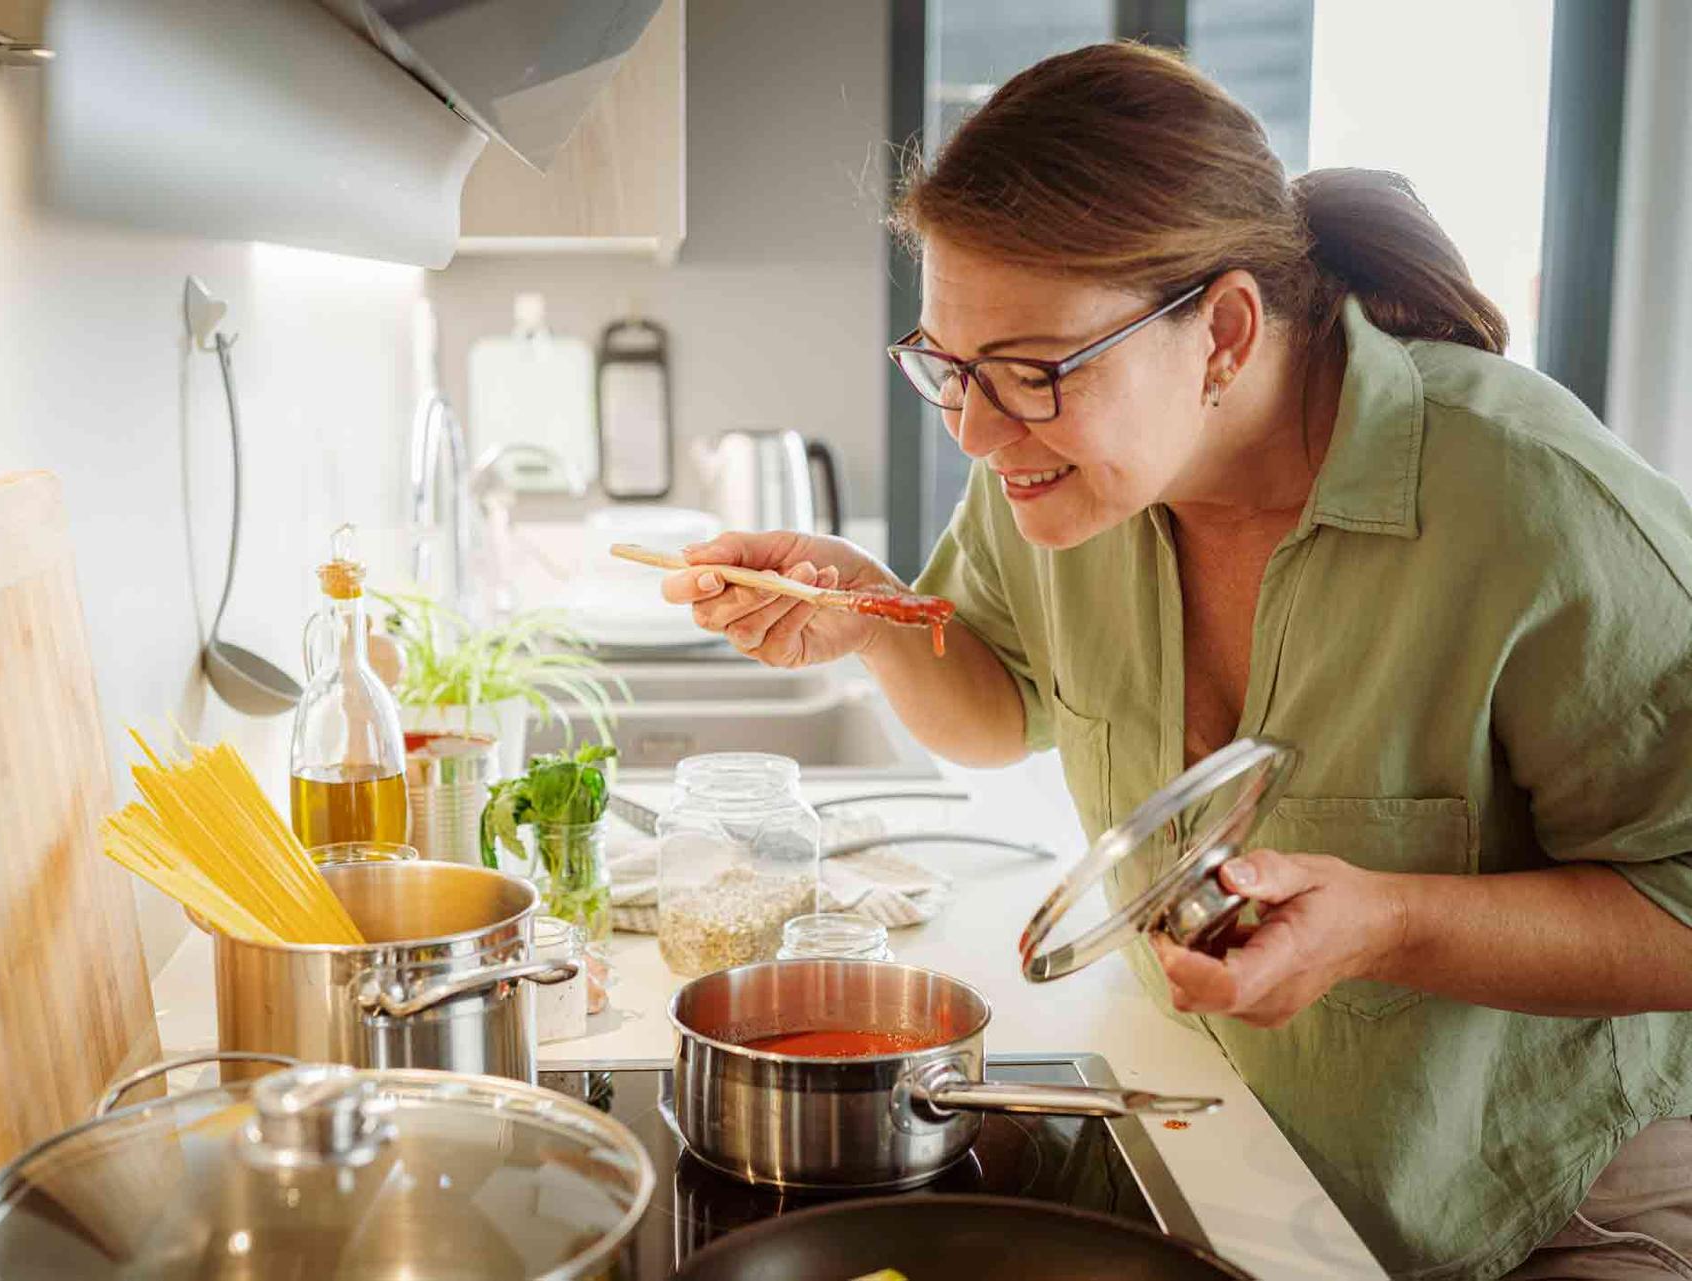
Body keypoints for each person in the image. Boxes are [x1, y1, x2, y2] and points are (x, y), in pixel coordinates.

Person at [661, 42, 1692, 1281]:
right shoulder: (1051, 471)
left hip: (1557, 1202)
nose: (980, 433)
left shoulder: (1537, 506)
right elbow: (1004, 706)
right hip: (1258, 1151)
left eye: (1036, 373)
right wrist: (877, 614)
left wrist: (1389, 923)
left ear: (1224, 332)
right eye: (949, 366)